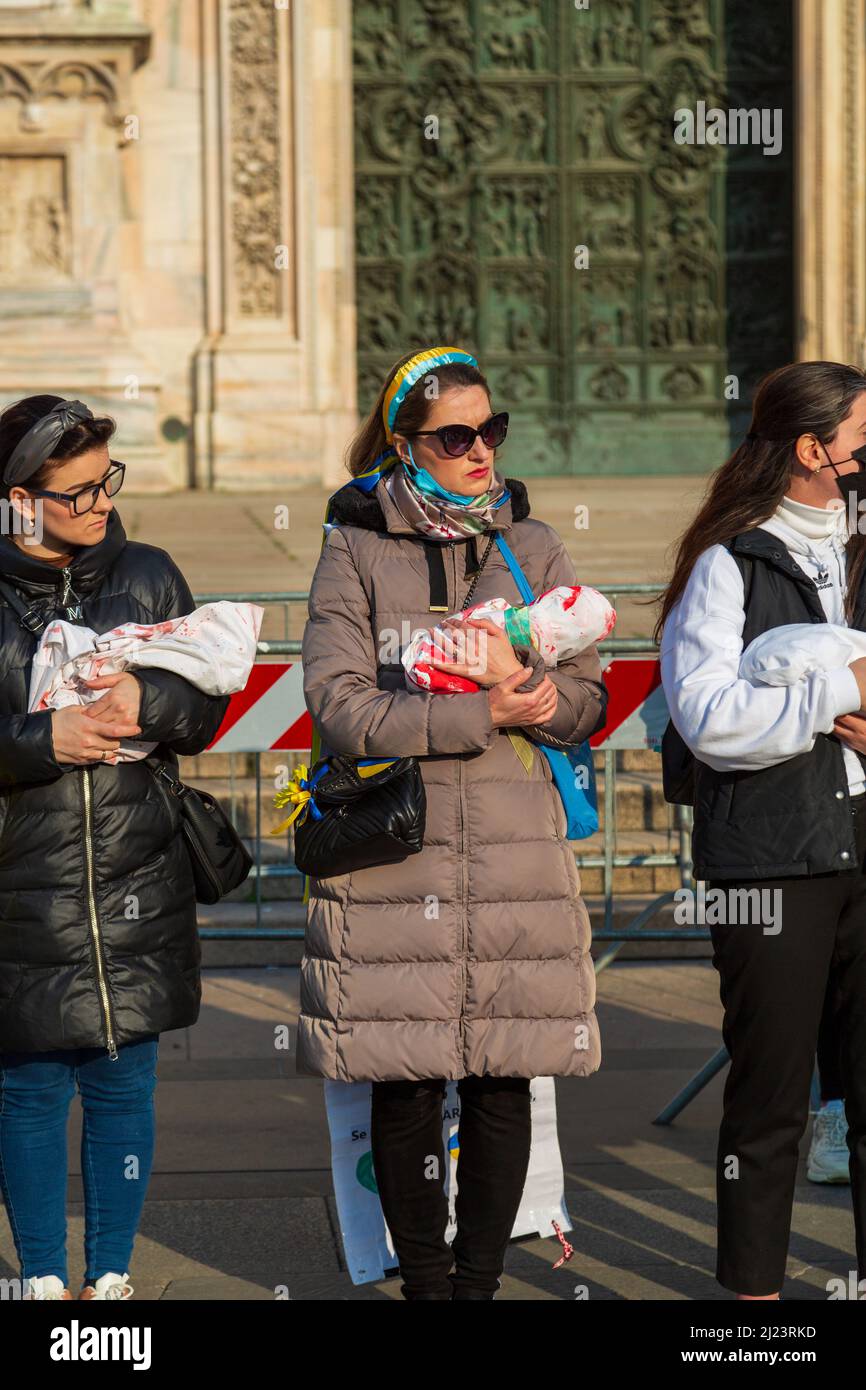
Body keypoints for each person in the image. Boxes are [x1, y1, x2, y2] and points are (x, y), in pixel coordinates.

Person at [297, 346, 608, 1299]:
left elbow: (590, 700)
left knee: (506, 1074)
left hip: (516, 849)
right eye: (456, 437)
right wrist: (483, 713)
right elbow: (339, 706)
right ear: (405, 446)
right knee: (406, 1079)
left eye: (492, 430)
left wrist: (543, 702)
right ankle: (427, 1286)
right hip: (398, 853)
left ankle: (479, 1285)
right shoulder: (353, 545)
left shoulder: (533, 541)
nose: (482, 452)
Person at [0, 396, 230, 1300]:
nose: (101, 506)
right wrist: (37, 744)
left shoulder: (149, 574)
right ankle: (44, 1280)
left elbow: (205, 708)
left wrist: (153, 705)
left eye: (108, 483)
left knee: (125, 1087)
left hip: (138, 874)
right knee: (28, 1092)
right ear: (19, 499)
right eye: (77, 493)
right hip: (26, 882)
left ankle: (112, 1274)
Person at [657, 360, 866, 1299]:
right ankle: (755, 1314)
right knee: (770, 1103)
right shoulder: (728, 562)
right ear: (814, 451)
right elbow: (706, 719)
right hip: (773, 864)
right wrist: (834, 699)